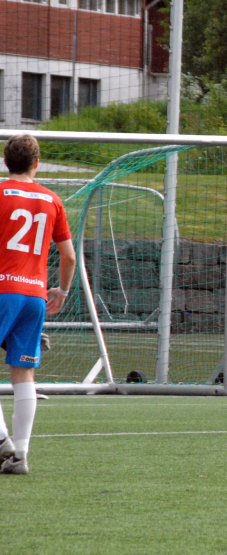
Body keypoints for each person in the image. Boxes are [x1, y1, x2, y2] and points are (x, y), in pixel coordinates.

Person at [0, 135, 76, 474]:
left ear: (6, 162)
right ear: (36, 163)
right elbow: (69, 256)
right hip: (35, 295)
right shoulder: (52, 200)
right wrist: (62, 291)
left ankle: (1, 439)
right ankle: (21, 457)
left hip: (3, 289)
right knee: (24, 372)